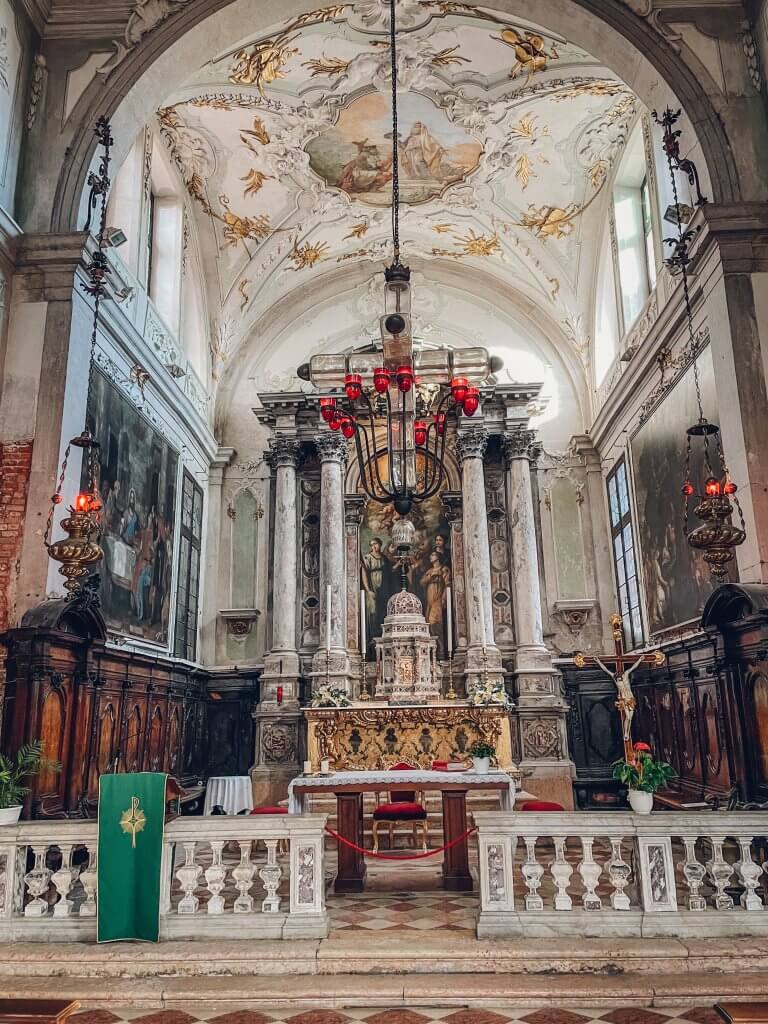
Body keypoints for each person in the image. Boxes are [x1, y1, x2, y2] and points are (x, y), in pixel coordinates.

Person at [419, 551, 451, 658]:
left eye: (432, 555)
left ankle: (440, 651)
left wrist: (444, 597)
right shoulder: (430, 571)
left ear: (438, 557)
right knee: (429, 623)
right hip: (430, 600)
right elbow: (422, 582)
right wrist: (430, 577)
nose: (430, 557)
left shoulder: (444, 569)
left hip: (438, 599)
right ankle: (432, 651)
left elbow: (447, 584)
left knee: (435, 623)